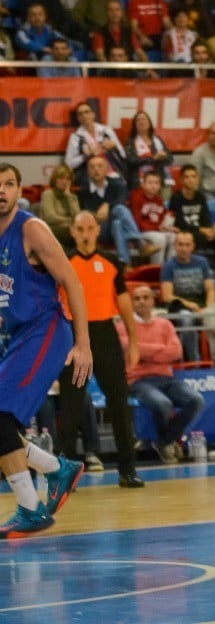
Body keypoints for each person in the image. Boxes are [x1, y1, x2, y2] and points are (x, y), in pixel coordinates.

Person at [0, 163, 92, 539]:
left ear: (20, 190)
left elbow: (72, 280)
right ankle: (57, 469)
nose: (1, 190)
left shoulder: (30, 228)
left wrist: (83, 344)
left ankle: (30, 507)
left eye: (9, 183)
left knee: (1, 419)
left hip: (47, 331)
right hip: (18, 336)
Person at [58, 211, 143, 489]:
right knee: (71, 405)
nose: (85, 233)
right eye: (80, 228)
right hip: (74, 335)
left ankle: (127, 470)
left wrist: (133, 340)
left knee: (119, 402)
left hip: (105, 334)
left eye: (90, 228)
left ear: (97, 230)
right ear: (72, 231)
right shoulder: (63, 263)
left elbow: (124, 304)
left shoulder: (110, 262)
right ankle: (64, 473)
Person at [116, 285, 205, 464]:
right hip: (138, 380)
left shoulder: (165, 324)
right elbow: (130, 348)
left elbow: (177, 352)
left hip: (167, 378)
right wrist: (160, 350)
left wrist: (143, 351)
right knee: (162, 404)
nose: (141, 301)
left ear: (153, 300)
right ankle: (168, 443)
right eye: (137, 298)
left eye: (145, 297)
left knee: (196, 400)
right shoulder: (123, 325)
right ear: (132, 302)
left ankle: (164, 441)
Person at [79, 155, 161, 266]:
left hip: (114, 224)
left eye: (99, 166)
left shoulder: (117, 184)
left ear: (107, 169)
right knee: (118, 210)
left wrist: (107, 205)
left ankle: (125, 263)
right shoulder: (83, 190)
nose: (96, 170)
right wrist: (98, 214)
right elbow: (84, 213)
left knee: (117, 222)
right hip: (97, 228)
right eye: (92, 167)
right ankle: (140, 243)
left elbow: (122, 200)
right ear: (88, 171)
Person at [160, 232, 215, 363]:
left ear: (193, 246)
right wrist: (190, 305)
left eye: (187, 245)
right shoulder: (169, 266)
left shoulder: (202, 263)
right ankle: (194, 361)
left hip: (201, 306)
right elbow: (167, 296)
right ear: (175, 246)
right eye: (180, 245)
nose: (183, 248)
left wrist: (207, 309)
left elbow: (211, 290)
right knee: (186, 319)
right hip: (179, 308)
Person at [65, 100, 127, 188]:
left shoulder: (106, 131)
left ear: (93, 114)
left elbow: (123, 155)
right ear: (78, 118)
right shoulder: (76, 137)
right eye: (80, 114)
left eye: (87, 112)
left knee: (119, 185)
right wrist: (85, 156)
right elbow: (69, 163)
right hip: (89, 176)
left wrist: (114, 146)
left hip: (111, 172)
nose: (84, 116)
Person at [128, 171, 175, 263]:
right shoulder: (136, 197)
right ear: (143, 184)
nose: (153, 186)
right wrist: (158, 227)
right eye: (150, 183)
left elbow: (164, 217)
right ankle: (157, 270)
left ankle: (169, 269)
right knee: (160, 238)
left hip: (157, 230)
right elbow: (136, 222)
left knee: (174, 237)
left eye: (156, 183)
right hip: (141, 233)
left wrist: (168, 227)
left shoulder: (159, 199)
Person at [124, 109, 173, 191]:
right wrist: (153, 158)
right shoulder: (131, 142)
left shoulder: (158, 140)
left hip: (160, 178)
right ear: (135, 125)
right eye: (138, 120)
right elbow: (131, 161)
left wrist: (164, 156)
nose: (141, 122)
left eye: (144, 119)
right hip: (140, 181)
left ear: (149, 123)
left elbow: (170, 158)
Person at [39, 164, 81, 248]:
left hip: (69, 231)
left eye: (67, 179)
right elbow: (50, 217)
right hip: (51, 229)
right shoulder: (48, 194)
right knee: (77, 232)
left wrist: (68, 197)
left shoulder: (72, 197)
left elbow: (78, 218)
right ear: (55, 179)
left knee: (82, 232)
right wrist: (70, 222)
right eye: (61, 178)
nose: (64, 182)